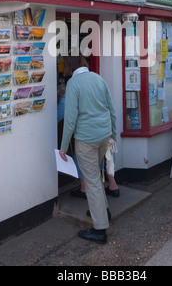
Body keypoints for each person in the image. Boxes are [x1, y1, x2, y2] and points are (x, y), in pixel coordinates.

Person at [59, 55, 117, 244]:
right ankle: (102, 210)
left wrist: (63, 146)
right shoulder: (98, 78)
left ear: (69, 66)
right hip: (104, 135)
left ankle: (99, 229)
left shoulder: (74, 84)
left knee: (91, 180)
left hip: (86, 138)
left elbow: (70, 119)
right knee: (96, 176)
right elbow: (111, 109)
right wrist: (113, 134)